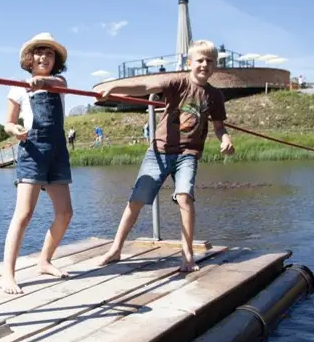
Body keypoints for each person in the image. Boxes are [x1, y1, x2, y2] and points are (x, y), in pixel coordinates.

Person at [95, 39, 234, 272]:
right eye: (200, 60)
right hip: (159, 151)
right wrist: (116, 89)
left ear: (215, 66)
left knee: (185, 198)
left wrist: (226, 139)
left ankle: (187, 255)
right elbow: (146, 86)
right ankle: (116, 249)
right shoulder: (177, 82)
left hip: (188, 154)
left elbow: (219, 126)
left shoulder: (215, 95)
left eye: (210, 61)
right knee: (136, 200)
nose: (204, 64)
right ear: (189, 63)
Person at [0, 32, 73, 294]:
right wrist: (15, 130)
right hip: (32, 150)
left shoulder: (59, 81)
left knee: (65, 213)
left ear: (56, 60)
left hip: (57, 152)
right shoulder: (18, 87)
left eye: (49, 53)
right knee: (24, 214)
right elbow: (8, 122)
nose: (44, 57)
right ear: (29, 58)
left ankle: (44, 261)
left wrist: (41, 81)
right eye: (39, 52)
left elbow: (54, 83)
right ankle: (7, 274)